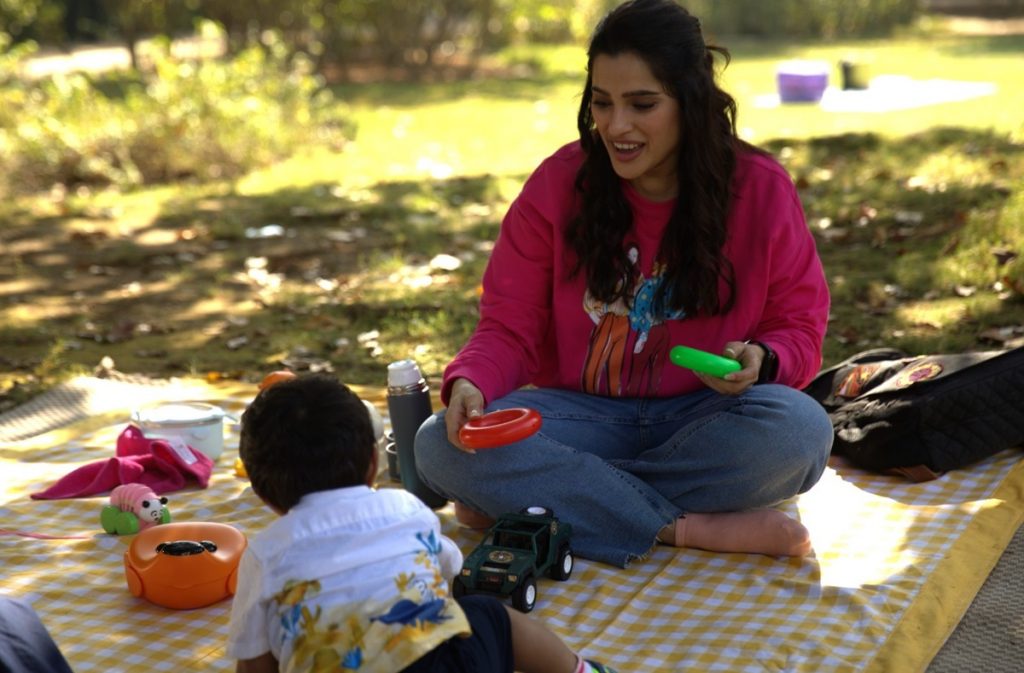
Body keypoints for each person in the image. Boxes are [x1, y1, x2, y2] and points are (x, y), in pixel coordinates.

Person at [414, 0, 834, 569]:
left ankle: (543, 498)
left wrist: (765, 357)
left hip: (703, 418)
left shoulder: (760, 189)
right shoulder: (556, 186)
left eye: (642, 104)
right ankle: (683, 527)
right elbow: (508, 327)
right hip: (581, 417)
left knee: (799, 432)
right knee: (439, 443)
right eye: (601, 103)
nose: (616, 126)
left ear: (691, 101)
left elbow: (799, 327)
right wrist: (473, 383)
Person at [226, 374, 618, 673]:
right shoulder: (405, 509)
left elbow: (254, 661)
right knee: (487, 612)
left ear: (263, 495)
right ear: (373, 466)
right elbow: (448, 574)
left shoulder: (266, 553)